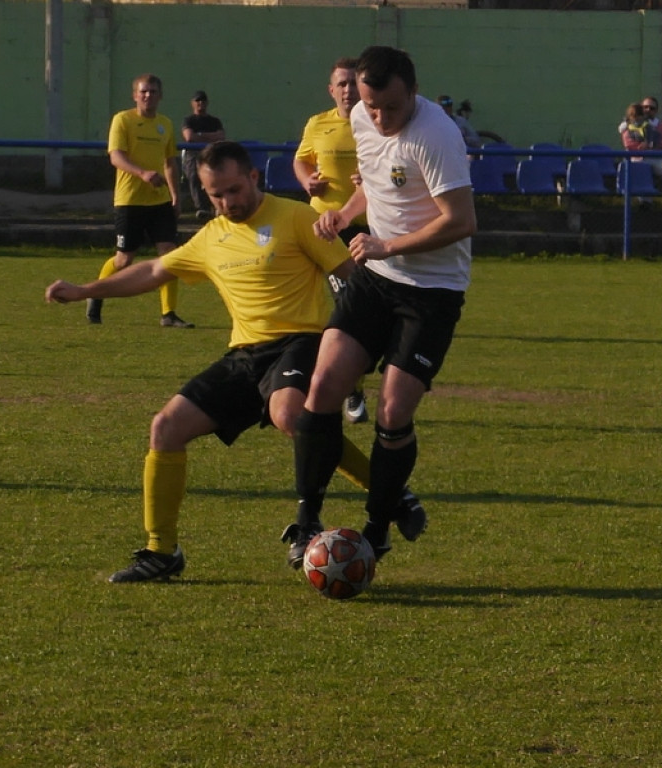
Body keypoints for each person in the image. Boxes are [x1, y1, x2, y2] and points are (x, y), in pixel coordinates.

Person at [45, 141, 423, 582]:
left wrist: (364, 347)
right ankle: (161, 552)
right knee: (165, 427)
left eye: (232, 190)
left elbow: (353, 278)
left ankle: (384, 492)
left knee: (292, 417)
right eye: (215, 195)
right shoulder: (211, 236)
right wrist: (86, 290)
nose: (227, 202)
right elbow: (152, 271)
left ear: (253, 179)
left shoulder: (296, 217)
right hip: (244, 355)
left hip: (301, 341)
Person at [292, 46, 477, 565]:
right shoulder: (360, 116)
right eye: (371, 106)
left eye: (390, 108)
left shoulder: (437, 135)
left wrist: (385, 245)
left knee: (393, 413)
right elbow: (374, 188)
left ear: (412, 92)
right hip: (376, 279)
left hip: (432, 290)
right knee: (324, 386)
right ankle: (306, 523)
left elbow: (461, 221)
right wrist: (345, 215)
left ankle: (376, 530)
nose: (379, 117)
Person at [293, 57, 370, 425]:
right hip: (324, 229)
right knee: (338, 309)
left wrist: (370, 180)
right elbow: (301, 161)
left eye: (353, 83)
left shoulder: (376, 122)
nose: (347, 90)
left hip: (368, 228)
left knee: (363, 310)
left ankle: (360, 380)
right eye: (341, 84)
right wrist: (308, 181)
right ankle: (348, 388)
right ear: (331, 89)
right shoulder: (317, 123)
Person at [87, 73, 194, 329]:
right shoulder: (122, 120)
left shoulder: (165, 124)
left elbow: (169, 163)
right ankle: (95, 295)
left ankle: (169, 314)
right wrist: (143, 173)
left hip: (159, 202)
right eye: (143, 92)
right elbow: (116, 158)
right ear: (135, 95)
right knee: (124, 259)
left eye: (153, 92)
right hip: (130, 200)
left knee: (169, 256)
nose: (148, 96)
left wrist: (176, 195)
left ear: (160, 96)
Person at [181, 90, 226, 221]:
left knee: (216, 176)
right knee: (194, 176)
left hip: (212, 153)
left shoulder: (214, 121)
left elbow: (221, 137)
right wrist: (210, 137)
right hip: (193, 154)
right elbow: (189, 137)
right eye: (197, 100)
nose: (200, 103)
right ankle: (202, 208)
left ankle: (216, 205)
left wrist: (199, 135)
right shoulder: (189, 120)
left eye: (203, 100)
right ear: (192, 103)